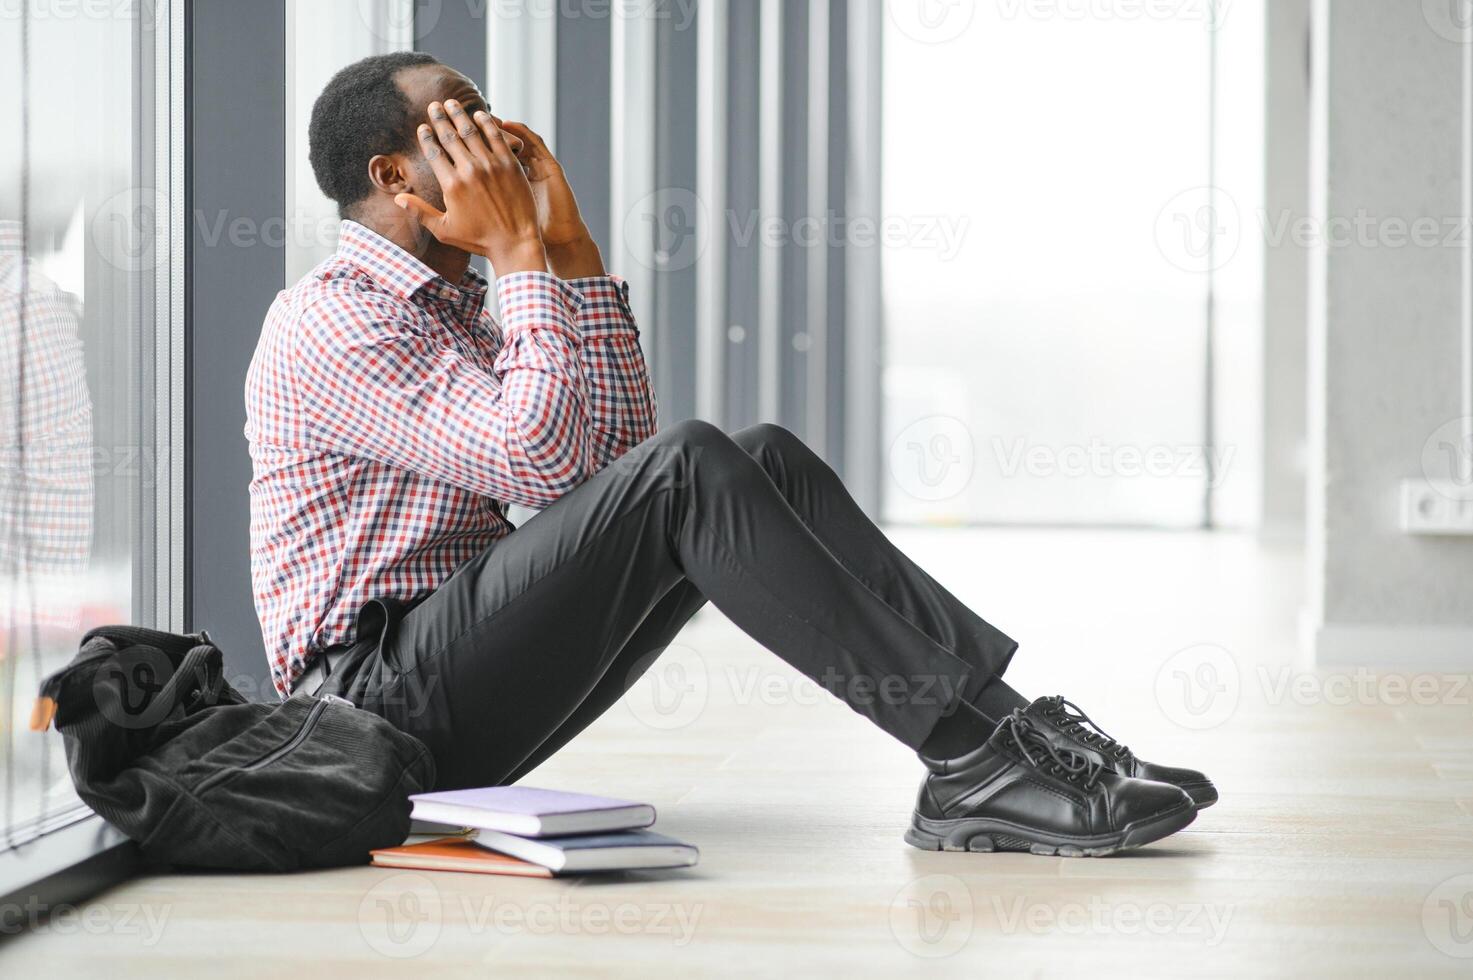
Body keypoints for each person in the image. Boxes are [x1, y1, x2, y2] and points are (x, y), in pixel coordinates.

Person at [245, 52, 1215, 857]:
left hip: (448, 666)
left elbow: (611, 471)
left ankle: (1016, 738)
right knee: (699, 466)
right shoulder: (329, 319)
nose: (493, 142)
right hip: (367, 714)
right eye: (457, 125)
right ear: (393, 177)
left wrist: (570, 245)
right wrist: (522, 257)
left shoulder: (458, 315)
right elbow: (552, 468)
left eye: (491, 119)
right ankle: (969, 758)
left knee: (764, 459)